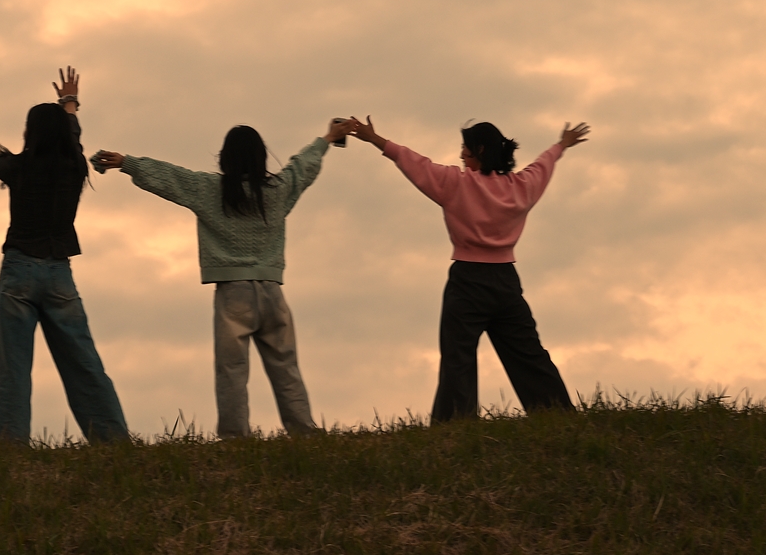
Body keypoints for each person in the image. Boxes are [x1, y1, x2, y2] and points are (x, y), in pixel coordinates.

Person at [93, 119, 353, 439]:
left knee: (231, 371)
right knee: (285, 366)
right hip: (272, 292)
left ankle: (235, 437)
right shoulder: (277, 190)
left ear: (225, 158)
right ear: (261, 156)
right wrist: (327, 138)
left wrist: (127, 163)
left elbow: (171, 177)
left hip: (233, 294)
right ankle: (304, 431)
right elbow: (303, 167)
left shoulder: (209, 190)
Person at [347, 115, 591, 421]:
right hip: (506, 282)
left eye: (465, 148)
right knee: (528, 354)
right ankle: (557, 414)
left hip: (467, 281)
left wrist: (375, 139)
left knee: (458, 358)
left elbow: (414, 162)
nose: (461, 155)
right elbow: (542, 166)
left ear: (480, 150)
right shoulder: (521, 187)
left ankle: (455, 424)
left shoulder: (456, 183)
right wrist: (561, 145)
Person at [0, 67, 128, 444]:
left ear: (29, 133)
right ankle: (114, 442)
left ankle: (12, 447)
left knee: (15, 370)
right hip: (59, 273)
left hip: (18, 270)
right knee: (85, 364)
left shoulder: (18, 167)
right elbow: (74, 138)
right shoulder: (75, 167)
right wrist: (70, 103)